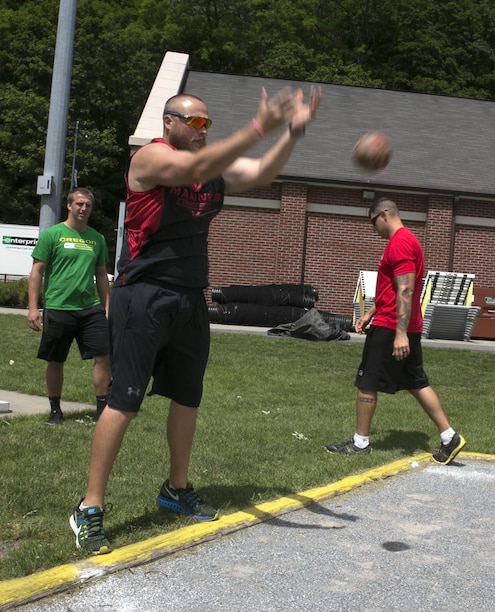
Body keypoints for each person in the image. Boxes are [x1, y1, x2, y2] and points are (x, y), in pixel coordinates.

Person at [69, 86, 321, 554]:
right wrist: (259, 125)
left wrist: (292, 132)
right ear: (169, 123)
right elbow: (192, 168)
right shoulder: (149, 158)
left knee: (187, 397)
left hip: (188, 297)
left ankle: (175, 489)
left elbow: (263, 172)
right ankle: (89, 507)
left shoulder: (212, 168)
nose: (204, 130)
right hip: (142, 294)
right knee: (123, 399)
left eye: (209, 124)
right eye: (196, 122)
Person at [326, 198, 466, 464]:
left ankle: (360, 443)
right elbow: (392, 290)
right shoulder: (404, 241)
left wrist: (399, 333)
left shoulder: (400, 242)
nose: (373, 228)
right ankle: (450, 437)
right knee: (416, 382)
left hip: (393, 327)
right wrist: (369, 313)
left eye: (373, 222)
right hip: (400, 323)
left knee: (367, 382)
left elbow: (405, 289)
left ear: (385, 214)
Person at [27, 188, 111, 425]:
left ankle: (102, 409)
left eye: (88, 206)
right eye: (79, 204)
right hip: (58, 306)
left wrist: (107, 305)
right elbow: (37, 272)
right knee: (56, 360)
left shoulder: (97, 239)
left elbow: (102, 275)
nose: (83, 209)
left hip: (90, 308)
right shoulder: (53, 235)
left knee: (104, 356)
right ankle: (55, 409)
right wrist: (33, 308)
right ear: (69, 206)